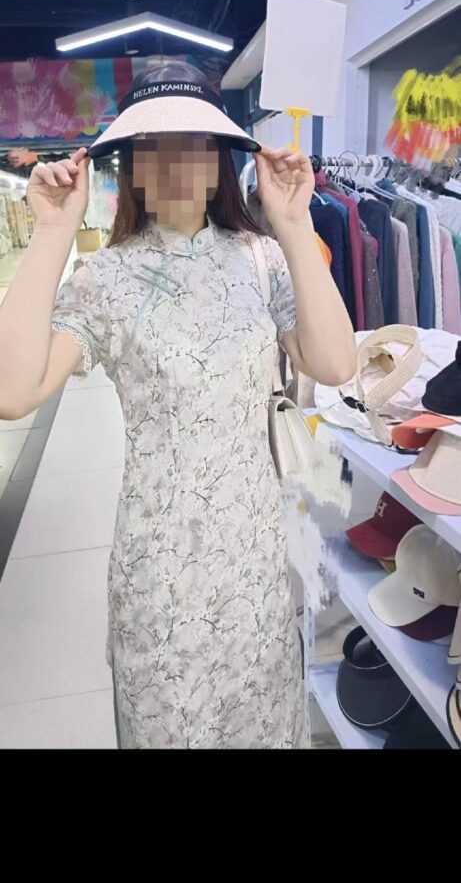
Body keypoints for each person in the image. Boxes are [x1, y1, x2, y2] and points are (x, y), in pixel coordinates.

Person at [0, 60, 356, 749]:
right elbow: (12, 394)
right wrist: (51, 234)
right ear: (131, 168)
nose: (172, 165)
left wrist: (292, 223)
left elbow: (336, 363)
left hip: (252, 560)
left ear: (218, 160)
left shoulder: (261, 260)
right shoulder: (105, 277)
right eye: (152, 148)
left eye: (191, 145)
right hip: (158, 569)